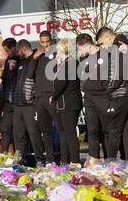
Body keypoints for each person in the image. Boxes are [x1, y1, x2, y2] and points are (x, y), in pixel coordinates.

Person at [96, 27, 128, 161]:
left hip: (121, 92)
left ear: (108, 37)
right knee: (127, 130)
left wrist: (111, 87)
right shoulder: (123, 45)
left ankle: (110, 161)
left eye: (102, 43)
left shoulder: (117, 47)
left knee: (114, 130)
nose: (102, 47)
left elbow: (118, 70)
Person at [11, 39, 45, 166]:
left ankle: (40, 159)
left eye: (18, 51)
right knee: (18, 134)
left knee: (33, 133)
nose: (17, 54)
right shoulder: (20, 62)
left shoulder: (37, 58)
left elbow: (34, 77)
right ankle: (20, 158)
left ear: (24, 48)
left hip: (30, 104)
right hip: (18, 104)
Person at [76, 33, 109, 160]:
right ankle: (94, 160)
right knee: (92, 131)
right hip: (89, 98)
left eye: (80, 49)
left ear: (88, 46)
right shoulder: (84, 59)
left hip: (103, 98)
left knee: (106, 131)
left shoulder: (105, 54)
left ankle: (109, 159)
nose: (80, 52)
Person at [50, 39, 82, 168]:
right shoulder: (66, 64)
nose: (57, 53)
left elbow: (61, 83)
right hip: (65, 102)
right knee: (65, 133)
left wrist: (53, 96)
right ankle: (67, 159)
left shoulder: (71, 63)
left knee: (70, 132)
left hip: (69, 102)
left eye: (58, 50)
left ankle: (75, 160)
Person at [29, 31, 57, 164]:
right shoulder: (37, 56)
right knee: (46, 131)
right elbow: (29, 74)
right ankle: (50, 159)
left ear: (51, 40)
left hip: (52, 96)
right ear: (40, 42)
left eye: (48, 41)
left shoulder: (57, 54)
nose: (46, 44)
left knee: (61, 129)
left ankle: (66, 158)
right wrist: (34, 58)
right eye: (43, 42)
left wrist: (55, 93)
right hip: (39, 98)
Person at [0, 38, 19, 154]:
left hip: (18, 100)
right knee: (5, 129)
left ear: (13, 48)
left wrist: (12, 71)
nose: (6, 53)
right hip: (8, 100)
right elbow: (6, 79)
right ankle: (3, 153)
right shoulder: (8, 60)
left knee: (18, 131)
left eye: (7, 51)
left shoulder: (20, 59)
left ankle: (19, 156)